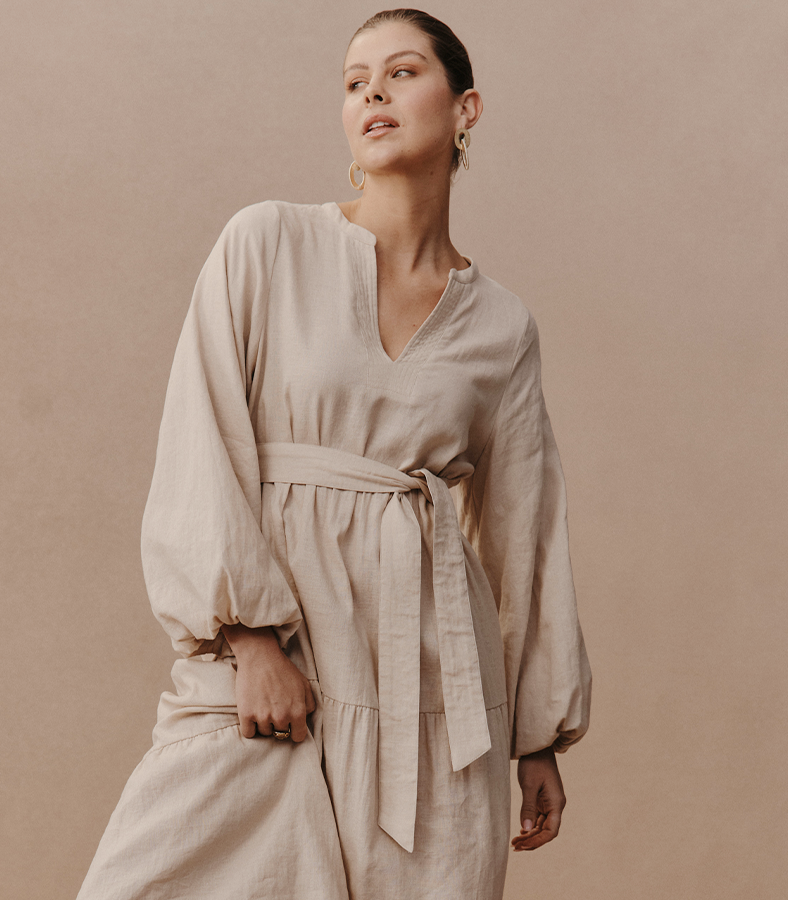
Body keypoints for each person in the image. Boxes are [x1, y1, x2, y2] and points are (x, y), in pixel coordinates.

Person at [77, 8, 591, 900]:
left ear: (466, 109)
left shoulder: (502, 326)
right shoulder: (267, 243)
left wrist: (536, 735)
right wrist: (249, 641)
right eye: (355, 82)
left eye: (401, 73)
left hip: (432, 695)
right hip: (279, 661)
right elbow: (202, 435)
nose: (372, 93)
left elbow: (524, 530)